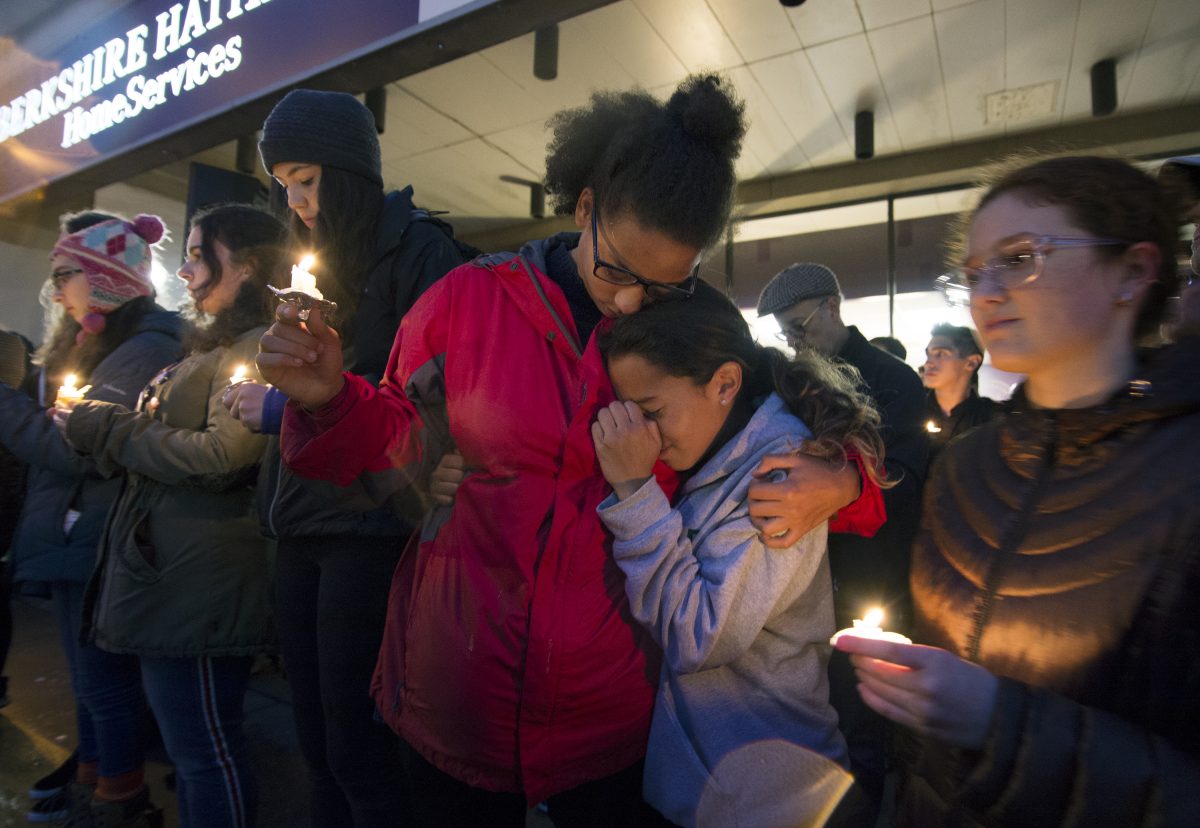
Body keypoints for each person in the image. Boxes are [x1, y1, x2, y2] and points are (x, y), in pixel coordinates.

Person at [256, 75, 876, 826]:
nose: (630, 302)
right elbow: (401, 435)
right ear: (585, 208)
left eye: (663, 285)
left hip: (608, 712)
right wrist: (330, 397)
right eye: (617, 271)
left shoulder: (697, 328)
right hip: (461, 684)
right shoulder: (470, 299)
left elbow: (789, 418)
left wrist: (846, 475)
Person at [838, 155, 1200, 826]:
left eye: (1020, 258)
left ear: (1133, 271)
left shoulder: (1184, 470)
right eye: (974, 272)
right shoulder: (969, 467)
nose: (987, 292)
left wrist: (999, 725)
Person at [222, 88, 471, 828]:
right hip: (300, 515)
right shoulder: (314, 262)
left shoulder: (420, 251)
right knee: (315, 739)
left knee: (359, 744)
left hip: (373, 524)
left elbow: (436, 400)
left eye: (306, 179)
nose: (295, 202)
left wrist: (298, 406)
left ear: (350, 170)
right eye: (283, 185)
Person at [591, 289, 891, 827]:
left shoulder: (780, 478)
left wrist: (634, 491)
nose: (642, 435)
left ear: (726, 384)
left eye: (652, 412)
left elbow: (698, 638)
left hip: (774, 795)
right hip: (727, 783)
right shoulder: (719, 455)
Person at [52, 205, 285, 827]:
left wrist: (109, 427)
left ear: (246, 266)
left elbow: (222, 457)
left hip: (203, 578)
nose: (183, 272)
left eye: (198, 256)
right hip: (173, 572)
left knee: (205, 750)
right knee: (193, 747)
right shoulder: (213, 345)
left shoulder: (260, 346)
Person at [0, 212, 184, 825]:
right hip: (74, 529)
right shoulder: (107, 346)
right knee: (88, 683)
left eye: (65, 275)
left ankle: (118, 800)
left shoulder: (145, 350)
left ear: (105, 278)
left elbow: (77, 450)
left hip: (96, 533)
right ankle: (93, 783)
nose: (56, 293)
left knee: (104, 685)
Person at [758, 261, 929, 820]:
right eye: (785, 333)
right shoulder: (796, 380)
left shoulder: (892, 378)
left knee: (861, 723)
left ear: (832, 307)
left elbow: (906, 478)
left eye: (799, 327)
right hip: (810, 576)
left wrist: (840, 482)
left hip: (873, 576)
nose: (795, 341)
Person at [921, 322, 998, 458]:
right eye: (928, 354)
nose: (928, 363)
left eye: (940, 354)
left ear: (971, 362)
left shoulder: (991, 419)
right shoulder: (913, 411)